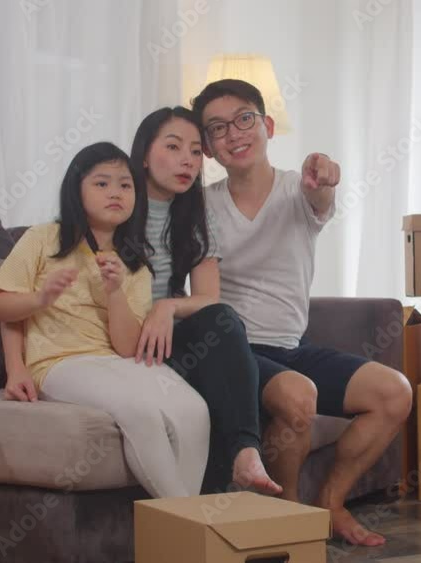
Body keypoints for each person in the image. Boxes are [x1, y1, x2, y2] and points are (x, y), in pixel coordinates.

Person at [191, 79, 413, 546]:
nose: (234, 134)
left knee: (394, 392)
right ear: (208, 148)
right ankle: (290, 523)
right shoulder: (201, 205)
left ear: (268, 126)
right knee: (297, 398)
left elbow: (320, 197)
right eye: (218, 128)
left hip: (292, 347)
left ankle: (329, 503)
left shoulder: (299, 187)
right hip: (235, 353)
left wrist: (324, 176)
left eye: (244, 119)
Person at [0, 141, 209, 499]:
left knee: (194, 410)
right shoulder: (43, 238)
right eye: (102, 183)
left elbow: (127, 348)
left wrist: (115, 291)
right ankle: (189, 522)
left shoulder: (134, 263)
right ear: (77, 190)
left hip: (116, 361)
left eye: (125, 185)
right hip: (58, 363)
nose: (115, 193)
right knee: (140, 412)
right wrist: (38, 304)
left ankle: (181, 522)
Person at [127, 106, 280, 496]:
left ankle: (246, 453)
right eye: (173, 147)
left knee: (222, 321)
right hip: (123, 339)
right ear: (143, 154)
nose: (188, 161)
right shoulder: (118, 203)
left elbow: (209, 298)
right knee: (220, 371)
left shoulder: (195, 215)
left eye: (196, 151)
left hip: (170, 342)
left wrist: (167, 306)